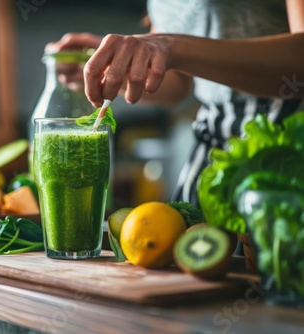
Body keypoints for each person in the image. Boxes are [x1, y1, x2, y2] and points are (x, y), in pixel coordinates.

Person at [45, 0, 304, 206]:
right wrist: (116, 67)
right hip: (214, 145)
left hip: (287, 139)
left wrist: (170, 47)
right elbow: (178, 84)